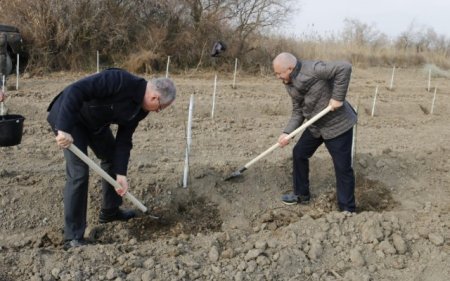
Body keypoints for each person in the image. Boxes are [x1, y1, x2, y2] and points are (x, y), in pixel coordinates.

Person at [47, 68, 176, 249]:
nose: (157, 112)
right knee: (79, 173)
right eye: (161, 108)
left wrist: (121, 174)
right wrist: (63, 128)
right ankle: (73, 237)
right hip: (70, 117)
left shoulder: (141, 110)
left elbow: (124, 140)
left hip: (95, 124)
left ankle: (110, 212)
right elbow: (76, 90)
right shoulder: (119, 80)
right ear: (155, 98)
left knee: (112, 158)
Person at [272, 52, 357, 212]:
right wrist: (287, 133)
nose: (277, 76)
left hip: (337, 125)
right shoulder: (289, 84)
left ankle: (347, 210)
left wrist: (338, 98)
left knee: (342, 167)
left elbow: (344, 68)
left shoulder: (313, 69)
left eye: (279, 73)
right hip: (316, 126)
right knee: (299, 153)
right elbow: (298, 111)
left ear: (289, 68)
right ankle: (301, 194)